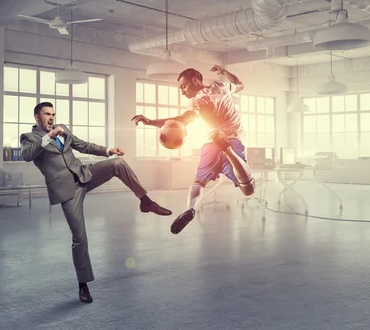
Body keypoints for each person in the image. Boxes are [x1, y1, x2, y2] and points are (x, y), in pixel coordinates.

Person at [20, 102, 172, 304]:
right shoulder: (29, 138)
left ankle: (145, 201)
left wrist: (109, 150)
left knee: (118, 163)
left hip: (84, 175)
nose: (51, 118)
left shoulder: (63, 129)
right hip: (67, 191)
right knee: (79, 238)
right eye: (47, 114)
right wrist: (49, 136)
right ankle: (83, 285)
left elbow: (83, 145)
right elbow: (27, 155)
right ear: (37, 117)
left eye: (53, 114)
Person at [131, 65, 255, 235]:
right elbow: (239, 84)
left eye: (184, 86)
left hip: (211, 142)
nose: (182, 91)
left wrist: (151, 122)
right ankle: (228, 152)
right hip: (232, 140)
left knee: (198, 182)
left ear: (196, 80)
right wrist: (225, 72)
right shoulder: (222, 87)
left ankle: (190, 209)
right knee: (248, 189)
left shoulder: (198, 101)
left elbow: (183, 120)